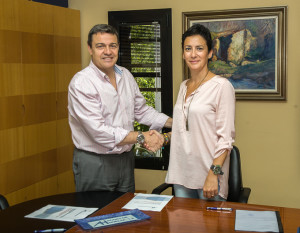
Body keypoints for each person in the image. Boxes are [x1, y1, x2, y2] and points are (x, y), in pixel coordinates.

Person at [68, 24, 172, 193]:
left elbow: (141, 110)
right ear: (90, 49)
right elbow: (98, 131)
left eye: (112, 46)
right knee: (97, 215)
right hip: (96, 162)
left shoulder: (125, 75)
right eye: (100, 46)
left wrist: (174, 123)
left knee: (126, 214)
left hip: (125, 159)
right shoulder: (82, 83)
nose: (107, 51)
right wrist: (141, 136)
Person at [164, 24, 235, 200]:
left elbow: (226, 139)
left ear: (210, 53)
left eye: (199, 48)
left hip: (209, 179)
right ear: (183, 53)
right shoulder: (183, 86)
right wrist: (163, 138)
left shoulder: (222, 87)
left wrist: (213, 174)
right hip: (181, 175)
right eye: (188, 49)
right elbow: (185, 128)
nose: (193, 54)